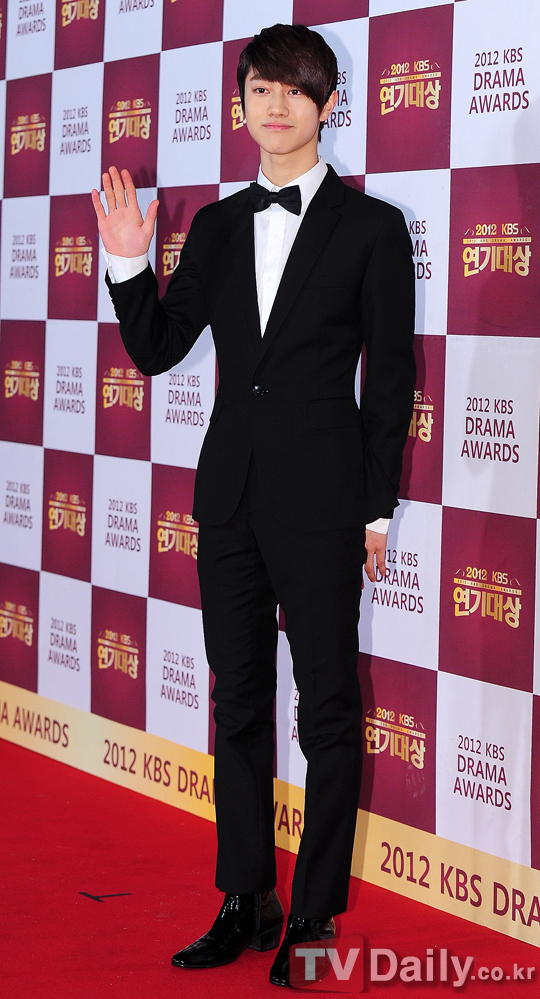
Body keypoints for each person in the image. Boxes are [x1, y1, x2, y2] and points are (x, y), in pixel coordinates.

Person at [91, 23, 415, 988]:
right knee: (236, 701)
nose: (276, 106)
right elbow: (159, 349)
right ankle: (246, 896)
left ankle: (312, 912)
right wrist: (127, 267)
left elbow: (390, 381)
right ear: (239, 107)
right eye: (260, 90)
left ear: (329, 104)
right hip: (228, 497)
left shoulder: (373, 228)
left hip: (324, 503)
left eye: (295, 89)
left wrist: (376, 512)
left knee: (327, 708)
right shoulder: (221, 225)